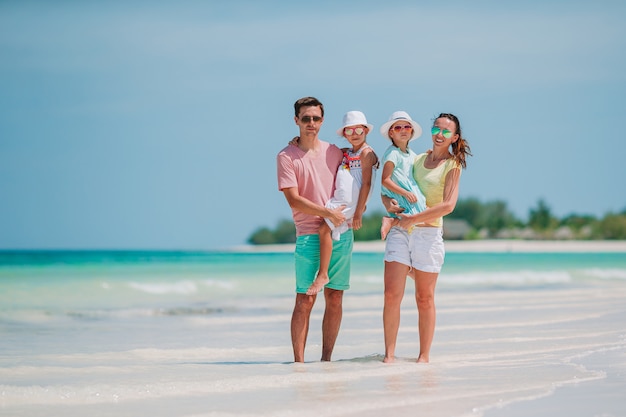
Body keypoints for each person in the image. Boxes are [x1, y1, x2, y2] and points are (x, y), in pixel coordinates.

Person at [381, 112, 472, 363]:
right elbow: (392, 187)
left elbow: (448, 206)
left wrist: (415, 219)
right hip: (401, 230)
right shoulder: (416, 159)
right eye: (436, 129)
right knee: (391, 294)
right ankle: (389, 356)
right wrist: (389, 208)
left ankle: (423, 357)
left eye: (446, 131)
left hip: (428, 234)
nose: (439, 135)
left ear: (454, 137)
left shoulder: (453, 165)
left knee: (424, 297)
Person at [276, 96, 354, 362]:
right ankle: (298, 363)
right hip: (309, 235)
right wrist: (326, 212)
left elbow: (360, 155)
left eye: (316, 118)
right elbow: (293, 199)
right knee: (305, 300)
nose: (311, 123)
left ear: (322, 120)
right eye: (306, 118)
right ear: (296, 120)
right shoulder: (286, 156)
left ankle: (326, 361)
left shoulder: (335, 151)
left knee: (335, 298)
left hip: (341, 233)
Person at [305, 111, 379, 296]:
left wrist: (359, 211)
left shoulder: (367, 153)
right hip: (343, 199)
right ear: (345, 134)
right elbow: (323, 150)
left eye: (358, 130)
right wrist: (295, 142)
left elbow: (367, 184)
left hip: (349, 203)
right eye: (349, 131)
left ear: (366, 131)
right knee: (326, 229)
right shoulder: (347, 152)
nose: (354, 134)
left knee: (323, 229)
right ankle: (324, 272)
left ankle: (323, 274)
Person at [379, 111, 427, 241]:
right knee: (413, 217)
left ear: (411, 131)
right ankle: (390, 220)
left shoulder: (411, 154)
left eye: (407, 127)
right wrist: (405, 193)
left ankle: (393, 221)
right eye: (398, 128)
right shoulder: (393, 153)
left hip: (407, 191)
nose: (403, 130)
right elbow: (385, 180)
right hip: (400, 193)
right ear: (391, 133)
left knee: (419, 217)